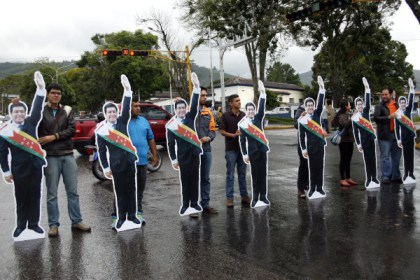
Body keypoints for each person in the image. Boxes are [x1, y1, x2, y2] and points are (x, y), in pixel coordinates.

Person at [38, 83, 91, 237]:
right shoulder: (40, 111)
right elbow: (30, 124)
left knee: (73, 192)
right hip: (50, 156)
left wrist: (53, 136)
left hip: (68, 155)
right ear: (48, 94)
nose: (56, 95)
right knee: (52, 194)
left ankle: (77, 221)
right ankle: (53, 225)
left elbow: (72, 129)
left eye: (58, 93)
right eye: (53, 93)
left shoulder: (67, 110)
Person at [0, 71, 47, 239]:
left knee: (35, 195)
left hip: (35, 167)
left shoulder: (30, 122)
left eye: (22, 112)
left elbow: (38, 108)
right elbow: (2, 153)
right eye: (16, 112)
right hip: (18, 169)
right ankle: (21, 226)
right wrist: (6, 171)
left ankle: (34, 224)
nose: (19, 114)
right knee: (21, 198)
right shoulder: (5, 131)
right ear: (11, 114)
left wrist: (41, 89)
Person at [96, 75, 140, 230]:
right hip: (116, 165)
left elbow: (127, 106)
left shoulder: (122, 121)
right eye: (109, 112)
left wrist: (127, 91)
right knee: (120, 192)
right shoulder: (101, 131)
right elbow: (101, 151)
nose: (112, 114)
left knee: (131, 190)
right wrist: (106, 168)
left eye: (114, 112)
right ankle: (121, 217)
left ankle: (132, 216)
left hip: (129, 161)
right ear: (105, 114)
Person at [166, 72, 203, 216]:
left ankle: (194, 203)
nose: (181, 110)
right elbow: (170, 144)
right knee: (185, 181)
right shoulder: (172, 125)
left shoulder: (190, 118)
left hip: (194, 154)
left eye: (183, 108)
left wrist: (196, 88)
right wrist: (174, 159)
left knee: (194, 179)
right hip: (182, 157)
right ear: (175, 110)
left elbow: (194, 104)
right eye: (179, 108)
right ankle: (185, 204)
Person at [239, 80, 270, 208]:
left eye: (252, 109)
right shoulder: (243, 124)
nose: (251, 111)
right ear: (246, 111)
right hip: (252, 153)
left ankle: (263, 196)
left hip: (262, 150)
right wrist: (245, 154)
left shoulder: (258, 119)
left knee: (263, 175)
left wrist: (263, 94)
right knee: (255, 176)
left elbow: (262, 109)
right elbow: (242, 141)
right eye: (249, 110)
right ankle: (256, 198)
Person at [129, 98, 159, 224]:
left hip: (142, 162)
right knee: (127, 190)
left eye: (139, 106)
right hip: (128, 163)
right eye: (135, 106)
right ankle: (124, 214)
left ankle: (138, 213)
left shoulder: (144, 121)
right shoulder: (122, 122)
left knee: (140, 190)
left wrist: (154, 155)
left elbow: (150, 138)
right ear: (128, 108)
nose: (138, 108)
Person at [298, 76, 327, 199]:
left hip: (319, 146)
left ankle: (319, 188)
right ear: (305, 107)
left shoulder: (316, 115)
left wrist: (321, 89)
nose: (310, 107)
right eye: (308, 106)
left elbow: (320, 103)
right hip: (310, 147)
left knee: (319, 168)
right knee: (312, 168)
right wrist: (304, 149)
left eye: (312, 105)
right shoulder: (302, 120)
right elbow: (301, 136)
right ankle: (312, 189)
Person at [220, 95, 251, 207]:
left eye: (239, 100)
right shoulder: (225, 116)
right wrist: (233, 135)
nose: (239, 102)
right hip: (231, 149)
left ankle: (244, 196)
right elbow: (222, 131)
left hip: (243, 150)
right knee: (230, 175)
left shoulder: (244, 115)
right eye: (236, 101)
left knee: (242, 174)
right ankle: (230, 198)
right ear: (230, 103)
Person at [352, 77, 380, 189]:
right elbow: (355, 131)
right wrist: (358, 144)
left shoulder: (366, 112)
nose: (360, 106)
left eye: (361, 104)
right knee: (367, 160)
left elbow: (368, 101)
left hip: (371, 140)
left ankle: (374, 177)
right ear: (356, 106)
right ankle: (369, 179)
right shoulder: (355, 118)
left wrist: (367, 89)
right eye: (358, 105)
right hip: (363, 142)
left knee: (373, 159)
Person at [195, 86, 218, 216]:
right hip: (192, 151)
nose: (204, 97)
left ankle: (205, 204)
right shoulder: (189, 112)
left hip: (206, 149)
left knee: (205, 178)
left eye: (205, 95)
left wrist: (208, 137)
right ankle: (192, 206)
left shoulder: (208, 113)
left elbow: (213, 130)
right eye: (202, 95)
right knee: (192, 179)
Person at [373, 87, 402, 184]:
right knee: (385, 157)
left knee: (396, 157)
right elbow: (376, 118)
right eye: (383, 94)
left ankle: (396, 176)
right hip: (385, 135)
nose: (384, 96)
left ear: (391, 94)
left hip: (397, 135)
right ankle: (386, 176)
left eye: (386, 94)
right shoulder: (379, 106)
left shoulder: (397, 105)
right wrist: (389, 117)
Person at [395, 78, 417, 184]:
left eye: (404, 102)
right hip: (403, 138)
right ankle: (406, 173)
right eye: (401, 102)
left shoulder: (408, 110)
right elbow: (396, 128)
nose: (403, 104)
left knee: (411, 156)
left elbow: (412, 99)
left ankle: (411, 173)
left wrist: (411, 89)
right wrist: (398, 139)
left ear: (405, 103)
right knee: (405, 156)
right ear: (399, 104)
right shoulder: (397, 115)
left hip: (410, 137)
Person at [334, 99, 357, 187]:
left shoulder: (346, 114)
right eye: (349, 105)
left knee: (348, 160)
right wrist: (353, 116)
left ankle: (348, 177)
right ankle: (342, 179)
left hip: (349, 140)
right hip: (343, 141)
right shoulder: (342, 115)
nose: (350, 106)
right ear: (346, 106)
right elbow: (346, 124)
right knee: (343, 159)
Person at [294, 103, 308, 199]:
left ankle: (311, 187)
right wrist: (301, 117)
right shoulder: (301, 110)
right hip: (303, 142)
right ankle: (301, 189)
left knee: (313, 165)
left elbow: (322, 123)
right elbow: (296, 124)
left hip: (314, 142)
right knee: (304, 164)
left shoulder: (316, 110)